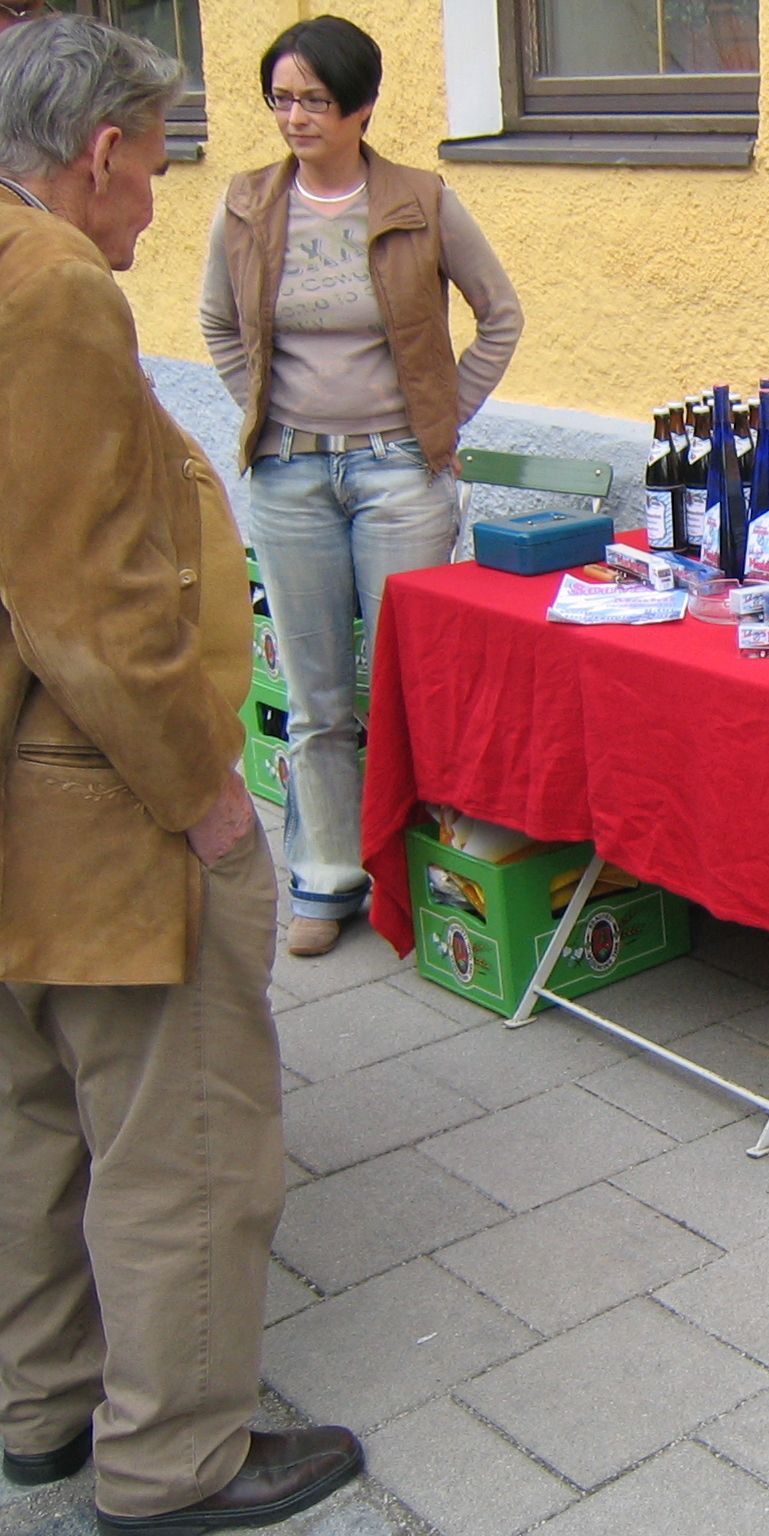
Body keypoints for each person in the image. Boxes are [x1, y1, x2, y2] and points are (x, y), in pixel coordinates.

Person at [0, 15, 362, 1533]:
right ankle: (173, 1462)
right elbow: (82, 593)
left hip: (24, 802)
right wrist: (205, 792)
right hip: (97, 794)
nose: (156, 203)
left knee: (31, 1111)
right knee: (184, 1136)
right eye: (152, 169)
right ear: (98, 157)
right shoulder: (52, 289)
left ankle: (41, 1411)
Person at [201, 13, 522, 958]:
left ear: (362, 106)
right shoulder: (249, 204)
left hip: (397, 474)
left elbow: (498, 316)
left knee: (406, 688)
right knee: (316, 699)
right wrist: (260, 409)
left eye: (315, 100)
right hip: (289, 474)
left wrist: (442, 418)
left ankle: (421, 876)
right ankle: (326, 880)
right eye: (282, 99)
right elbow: (219, 326)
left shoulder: (422, 200)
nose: (295, 116)